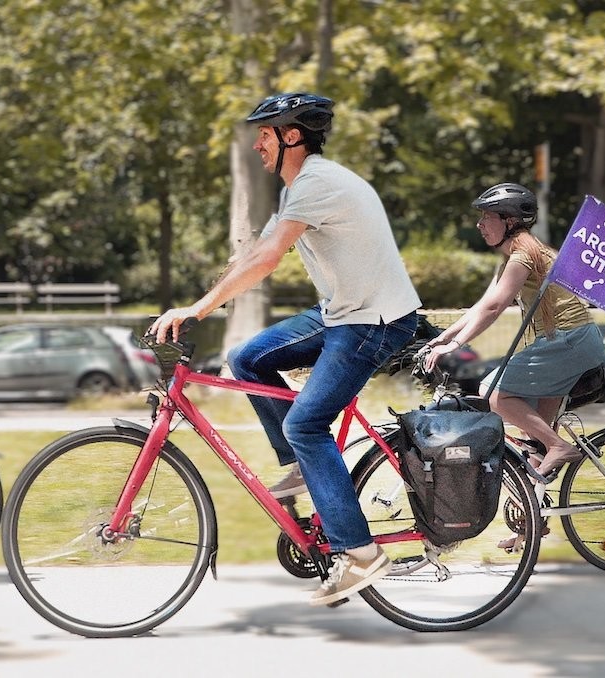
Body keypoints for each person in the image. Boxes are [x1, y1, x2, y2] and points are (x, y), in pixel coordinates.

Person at [149, 93, 423, 606]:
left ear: (292, 136)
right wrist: (202, 298)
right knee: (248, 359)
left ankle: (360, 554)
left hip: (372, 321)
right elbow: (255, 251)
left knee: (305, 424)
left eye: (265, 134)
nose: (257, 144)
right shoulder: (302, 187)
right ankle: (302, 467)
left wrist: (198, 309)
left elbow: (268, 260)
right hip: (343, 311)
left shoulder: (316, 183)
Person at [421, 183, 605, 480]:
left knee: (493, 393)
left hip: (568, 343)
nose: (480, 224)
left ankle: (559, 446)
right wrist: (441, 340)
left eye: (486, 217)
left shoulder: (524, 254)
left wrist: (454, 345)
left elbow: (495, 309)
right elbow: (482, 305)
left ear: (508, 220)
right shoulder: (515, 255)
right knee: (535, 451)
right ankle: (531, 524)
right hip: (570, 344)